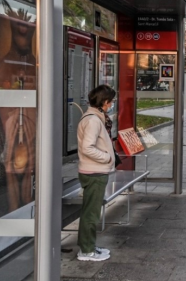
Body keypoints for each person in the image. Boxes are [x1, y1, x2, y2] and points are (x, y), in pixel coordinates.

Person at [76, 84, 116, 262]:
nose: (112, 104)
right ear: (105, 102)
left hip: (93, 170)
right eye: (111, 101)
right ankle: (86, 250)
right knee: (91, 214)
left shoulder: (93, 117)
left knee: (90, 212)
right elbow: (87, 147)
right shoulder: (93, 120)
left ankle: (89, 245)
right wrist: (107, 157)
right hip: (94, 172)